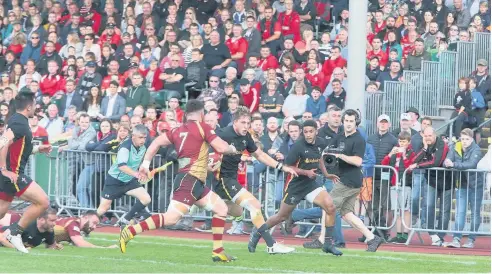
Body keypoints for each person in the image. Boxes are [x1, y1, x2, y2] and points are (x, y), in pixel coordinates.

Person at [119, 99, 240, 262]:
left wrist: (146, 163)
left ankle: (218, 251)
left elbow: (156, 142)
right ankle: (130, 231)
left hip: (194, 182)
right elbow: (222, 147)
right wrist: (236, 149)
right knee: (171, 219)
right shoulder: (203, 127)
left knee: (221, 209)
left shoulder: (178, 130)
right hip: (189, 182)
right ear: (201, 113)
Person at [253, 120, 341, 255]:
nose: (308, 134)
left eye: (311, 131)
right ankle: (257, 232)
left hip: (311, 184)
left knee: (330, 207)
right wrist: (306, 172)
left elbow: (320, 158)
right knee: (281, 217)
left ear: (316, 131)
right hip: (296, 185)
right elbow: (288, 167)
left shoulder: (321, 143)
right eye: (305, 132)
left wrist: (326, 174)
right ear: (302, 132)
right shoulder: (298, 146)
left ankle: (328, 243)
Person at [214, 106, 296, 254]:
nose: (246, 126)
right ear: (235, 122)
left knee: (237, 212)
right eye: (243, 122)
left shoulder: (246, 137)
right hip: (223, 180)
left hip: (231, 180)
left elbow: (260, 155)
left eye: (248, 122)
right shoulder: (224, 133)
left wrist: (281, 167)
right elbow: (207, 145)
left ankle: (216, 209)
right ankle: (271, 245)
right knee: (255, 205)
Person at [320, 109, 384, 252]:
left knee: (327, 206)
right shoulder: (340, 136)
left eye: (351, 121)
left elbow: (357, 161)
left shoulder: (359, 139)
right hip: (346, 179)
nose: (348, 124)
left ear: (356, 122)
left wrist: (340, 155)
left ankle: (323, 240)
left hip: (350, 180)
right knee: (347, 214)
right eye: (346, 121)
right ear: (343, 122)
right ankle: (372, 238)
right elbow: (328, 151)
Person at [0, 91, 52, 254]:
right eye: (35, 104)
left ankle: (14, 233)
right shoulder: (19, 123)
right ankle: (15, 233)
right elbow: (3, 143)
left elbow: (17, 149)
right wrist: (4, 169)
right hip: (13, 175)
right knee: (43, 202)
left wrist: (37, 149)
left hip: (10, 175)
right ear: (29, 106)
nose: (36, 107)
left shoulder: (17, 120)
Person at [96, 125, 152, 227]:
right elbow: (122, 166)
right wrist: (136, 174)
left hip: (129, 181)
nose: (143, 140)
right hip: (114, 181)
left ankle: (125, 220)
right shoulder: (125, 147)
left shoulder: (144, 145)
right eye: (140, 137)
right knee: (103, 208)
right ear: (133, 136)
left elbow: (149, 153)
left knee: (146, 199)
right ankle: (82, 224)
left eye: (144, 137)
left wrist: (144, 167)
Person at [408, 127, 449, 246]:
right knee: (429, 205)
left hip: (447, 181)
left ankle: (440, 236)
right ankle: (433, 234)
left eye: (430, 135)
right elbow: (414, 159)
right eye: (425, 136)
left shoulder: (442, 144)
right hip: (431, 180)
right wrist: (425, 148)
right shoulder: (424, 144)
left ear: (434, 135)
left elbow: (436, 162)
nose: (428, 138)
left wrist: (418, 166)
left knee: (444, 210)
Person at [442, 128, 483, 248]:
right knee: (460, 212)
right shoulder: (455, 147)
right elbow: (447, 161)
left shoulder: (476, 149)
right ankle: (456, 239)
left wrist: (454, 164)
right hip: (461, 184)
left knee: (475, 213)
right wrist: (447, 162)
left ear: (472, 139)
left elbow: (471, 164)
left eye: (467, 139)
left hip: (475, 186)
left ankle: (471, 239)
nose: (464, 141)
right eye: (462, 139)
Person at [382, 132, 415, 244]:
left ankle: (405, 234)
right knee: (397, 210)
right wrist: (391, 154)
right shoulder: (395, 151)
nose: (402, 143)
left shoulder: (411, 152)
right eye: (400, 141)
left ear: (409, 142)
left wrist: (404, 155)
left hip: (406, 184)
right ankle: (398, 234)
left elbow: (409, 167)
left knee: (405, 210)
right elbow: (384, 163)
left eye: (404, 141)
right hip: (395, 184)